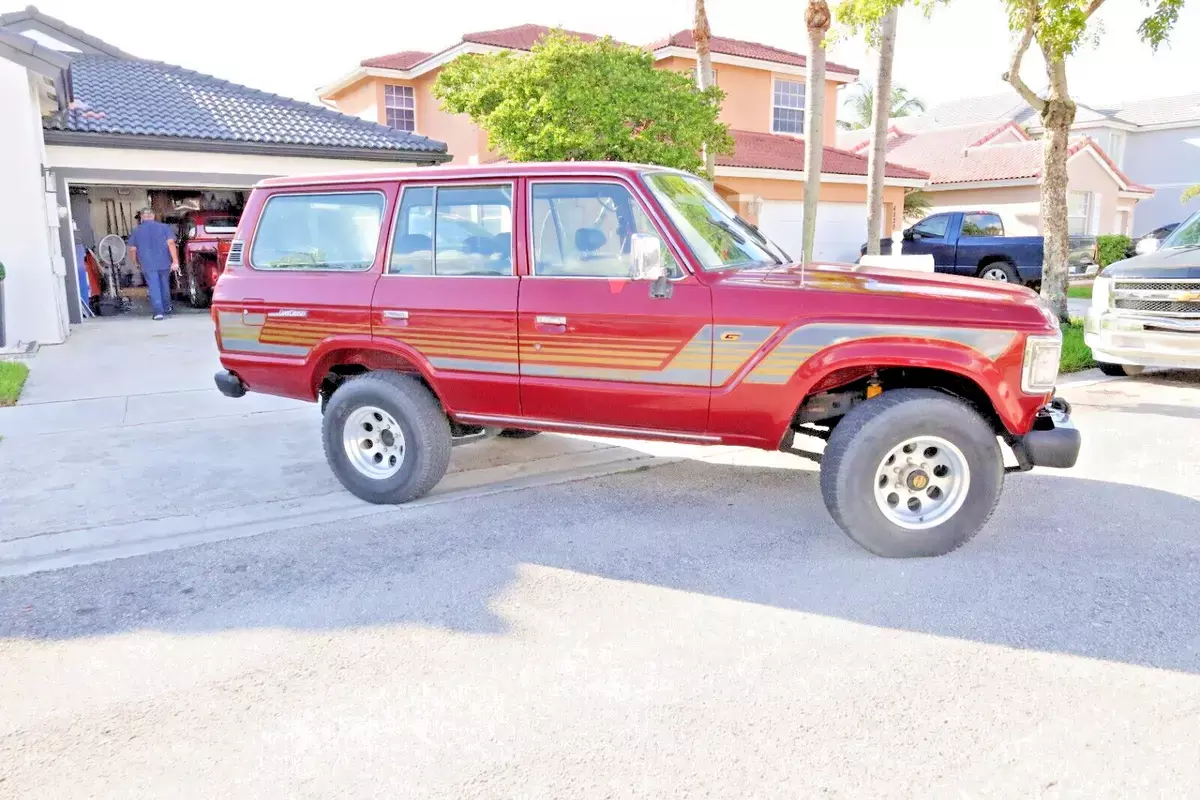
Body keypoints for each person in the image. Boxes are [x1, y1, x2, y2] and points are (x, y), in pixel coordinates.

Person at [127, 207, 179, 320]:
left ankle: (158, 312)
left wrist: (135, 262)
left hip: (147, 263)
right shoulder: (164, 227)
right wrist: (175, 261)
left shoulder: (136, 230)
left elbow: (132, 250)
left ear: (141, 217)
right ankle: (167, 307)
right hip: (164, 262)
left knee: (154, 286)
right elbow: (171, 244)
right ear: (153, 216)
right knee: (164, 285)